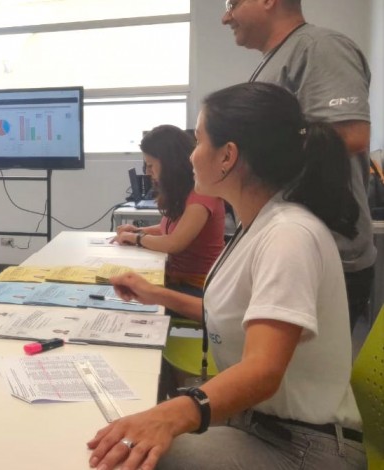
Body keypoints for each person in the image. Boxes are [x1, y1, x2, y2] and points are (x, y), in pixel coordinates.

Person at [86, 82, 366, 470]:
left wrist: (171, 414)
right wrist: (156, 294)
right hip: (261, 426)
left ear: (227, 157)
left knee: (121, 458)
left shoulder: (288, 236)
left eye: (199, 141)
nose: (191, 156)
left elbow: (263, 371)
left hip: (302, 448)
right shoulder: (259, 226)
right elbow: (233, 316)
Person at [222, 0, 375, 332]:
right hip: (283, 247)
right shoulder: (271, 64)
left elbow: (351, 134)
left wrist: (246, 155)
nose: (225, 17)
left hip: (320, 255)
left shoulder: (319, 48)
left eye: (233, 3)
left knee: (295, 379)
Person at [114, 125, 225, 297]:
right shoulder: (186, 191)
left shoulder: (203, 195)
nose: (148, 172)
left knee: (124, 291)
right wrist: (139, 230)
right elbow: (168, 229)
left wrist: (137, 238)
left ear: (169, 164)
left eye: (151, 165)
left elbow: (174, 243)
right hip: (177, 278)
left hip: (198, 287)